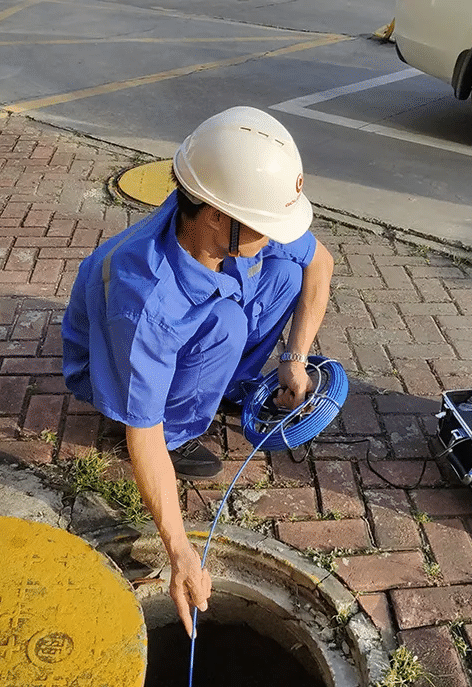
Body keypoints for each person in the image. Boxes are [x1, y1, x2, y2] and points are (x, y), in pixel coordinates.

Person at [62, 107, 334, 636]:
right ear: (216, 217)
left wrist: (294, 358)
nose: (272, 236)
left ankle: (224, 384)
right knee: (228, 323)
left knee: (283, 272)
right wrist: (181, 551)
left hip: (192, 315)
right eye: (263, 227)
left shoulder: (224, 215)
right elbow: (142, 435)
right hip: (112, 360)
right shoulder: (146, 303)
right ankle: (184, 429)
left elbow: (318, 262)